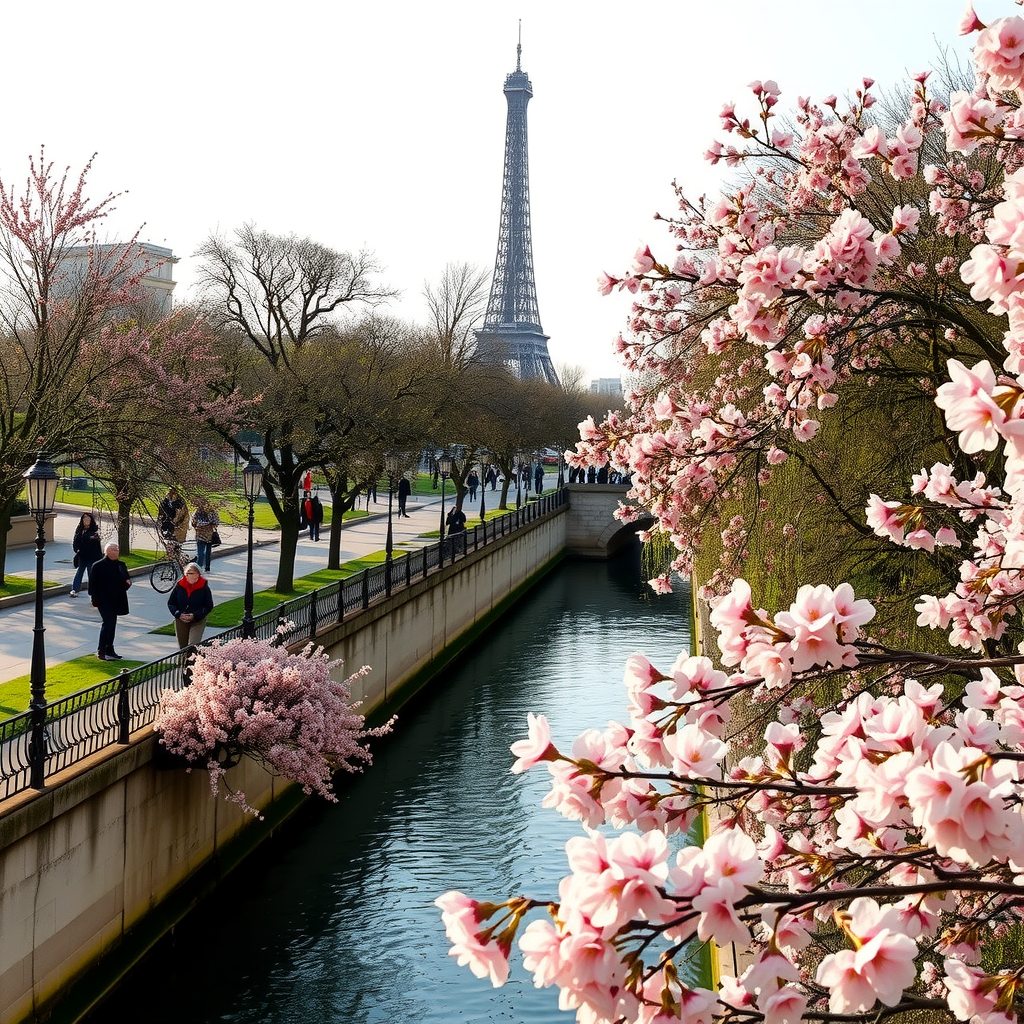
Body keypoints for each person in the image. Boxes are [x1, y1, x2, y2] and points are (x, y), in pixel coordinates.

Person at [88, 542, 131, 661]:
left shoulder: (121, 565)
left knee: (112, 625)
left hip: (117, 599)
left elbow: (125, 580)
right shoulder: (98, 565)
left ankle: (109, 649)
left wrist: (127, 583)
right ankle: (101, 650)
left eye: (117, 549)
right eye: (113, 550)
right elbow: (92, 584)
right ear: (107, 552)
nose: (116, 551)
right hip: (103, 600)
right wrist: (94, 599)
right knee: (108, 623)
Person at [167, 562, 214, 649]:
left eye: (191, 573)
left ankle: (193, 661)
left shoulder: (204, 588)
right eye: (187, 573)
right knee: (183, 647)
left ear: (198, 575)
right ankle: (183, 662)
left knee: (193, 645)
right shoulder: (179, 586)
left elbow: (208, 606)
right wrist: (178, 613)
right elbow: (171, 603)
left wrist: (195, 615)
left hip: (198, 620)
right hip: (181, 620)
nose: (189, 575)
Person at [70, 512, 102, 597]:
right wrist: (76, 550)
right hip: (82, 556)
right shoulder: (79, 530)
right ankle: (75, 589)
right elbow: (75, 541)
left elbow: (96, 546)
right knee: (79, 572)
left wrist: (92, 539)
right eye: (84, 519)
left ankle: (93, 592)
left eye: (88, 519)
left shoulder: (94, 531)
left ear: (91, 520)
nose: (86, 520)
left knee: (90, 573)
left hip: (91, 557)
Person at [191, 498, 220, 573]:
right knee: (207, 552)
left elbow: (193, 522)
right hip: (208, 534)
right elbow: (216, 522)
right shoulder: (212, 512)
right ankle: (206, 567)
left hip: (201, 534)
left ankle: (200, 567)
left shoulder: (197, 512)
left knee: (201, 553)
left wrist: (197, 526)